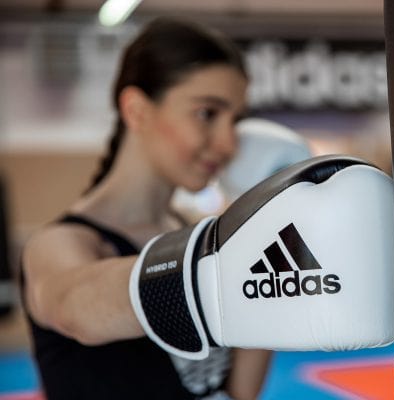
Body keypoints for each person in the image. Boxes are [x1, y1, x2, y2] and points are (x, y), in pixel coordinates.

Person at [20, 18, 271, 400]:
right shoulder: (58, 244)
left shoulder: (202, 238)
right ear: (136, 110)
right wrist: (230, 268)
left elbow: (235, 393)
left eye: (235, 121)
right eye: (207, 113)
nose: (228, 144)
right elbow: (77, 310)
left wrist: (264, 238)